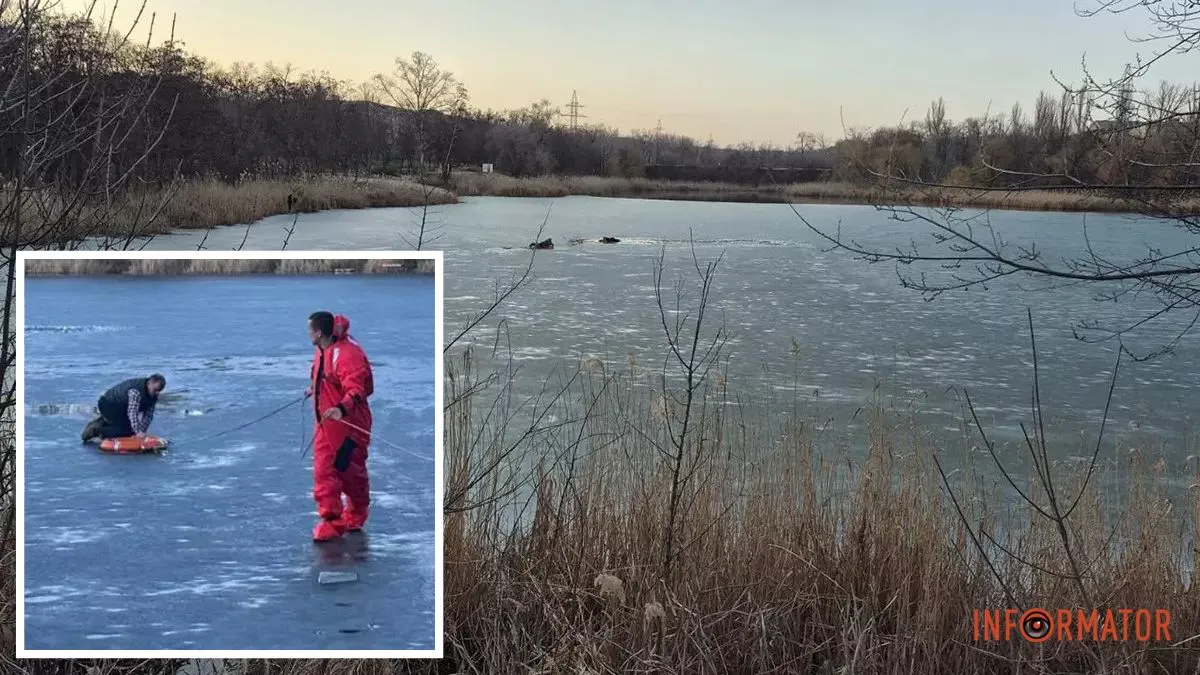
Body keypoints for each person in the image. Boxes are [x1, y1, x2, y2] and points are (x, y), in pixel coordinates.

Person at [306, 311, 375, 542]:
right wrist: (313, 390)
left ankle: (356, 513)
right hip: (325, 425)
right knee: (323, 472)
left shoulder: (347, 355)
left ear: (318, 332)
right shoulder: (321, 351)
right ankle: (331, 521)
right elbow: (322, 377)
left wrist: (341, 409)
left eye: (310, 329)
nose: (308, 334)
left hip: (349, 427)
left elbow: (356, 389)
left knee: (350, 474)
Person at [81, 374, 166, 442]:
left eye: (159, 390)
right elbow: (132, 413)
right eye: (155, 389)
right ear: (149, 383)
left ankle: (104, 421)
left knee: (130, 430)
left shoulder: (154, 395)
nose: (157, 393)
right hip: (108, 405)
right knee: (125, 431)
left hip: (121, 408)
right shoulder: (136, 392)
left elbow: (148, 416)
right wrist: (137, 432)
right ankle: (96, 430)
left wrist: (142, 432)